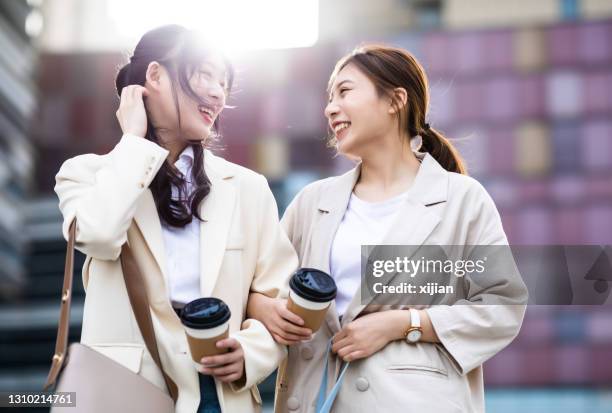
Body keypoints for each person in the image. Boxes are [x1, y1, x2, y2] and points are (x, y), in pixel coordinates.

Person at [248, 44, 528, 412]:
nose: (330, 107)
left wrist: (404, 323)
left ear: (396, 100)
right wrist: (262, 308)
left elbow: (502, 306)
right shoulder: (311, 203)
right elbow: (258, 285)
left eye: (345, 91)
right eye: (329, 97)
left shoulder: (462, 200)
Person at [54, 25, 297, 413]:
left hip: (218, 389)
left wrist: (250, 354)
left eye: (223, 83)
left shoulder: (247, 188)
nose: (218, 92)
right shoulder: (87, 174)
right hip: (126, 389)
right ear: (155, 75)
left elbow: (277, 297)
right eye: (205, 75)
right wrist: (134, 142)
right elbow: (99, 235)